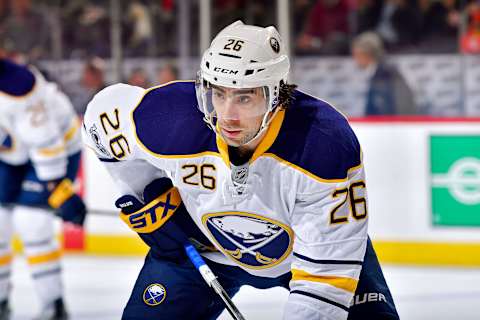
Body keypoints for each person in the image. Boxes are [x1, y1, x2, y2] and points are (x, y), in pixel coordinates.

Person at [83, 21, 399, 319]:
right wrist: (142, 191)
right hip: (200, 252)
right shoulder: (167, 118)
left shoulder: (323, 145)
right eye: (218, 94)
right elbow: (103, 116)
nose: (228, 116)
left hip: (308, 255)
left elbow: (322, 286)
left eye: (244, 97)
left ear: (276, 95)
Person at [0, 58, 86, 320]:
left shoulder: (18, 86)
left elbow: (46, 141)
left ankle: (54, 305)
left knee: (32, 222)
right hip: (11, 155)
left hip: (55, 150)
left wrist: (58, 190)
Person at [352, 31, 416, 115]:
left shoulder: (386, 74)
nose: (355, 59)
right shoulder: (377, 72)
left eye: (357, 55)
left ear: (366, 55)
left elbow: (393, 105)